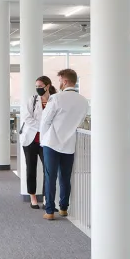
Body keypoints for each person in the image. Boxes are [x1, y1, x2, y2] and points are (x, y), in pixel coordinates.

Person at [40, 69, 89, 221]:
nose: (59, 83)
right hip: (69, 144)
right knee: (65, 177)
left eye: (60, 80)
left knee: (50, 177)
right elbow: (80, 121)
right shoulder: (83, 101)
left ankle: (49, 211)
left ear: (65, 81)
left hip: (52, 143)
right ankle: (63, 208)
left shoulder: (56, 98)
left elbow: (45, 121)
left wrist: (43, 139)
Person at [19, 76, 56, 209]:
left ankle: (47, 198)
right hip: (30, 140)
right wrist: (42, 126)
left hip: (46, 140)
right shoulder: (33, 100)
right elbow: (27, 118)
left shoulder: (54, 100)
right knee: (31, 168)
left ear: (47, 86)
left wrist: (44, 127)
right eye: (36, 86)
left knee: (48, 169)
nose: (38, 89)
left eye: (40, 86)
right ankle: (33, 197)